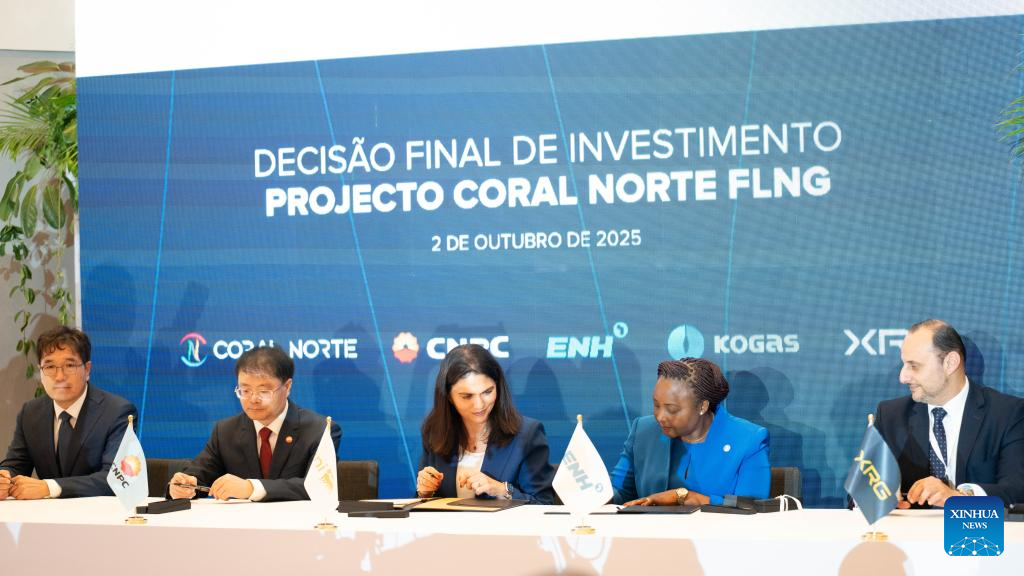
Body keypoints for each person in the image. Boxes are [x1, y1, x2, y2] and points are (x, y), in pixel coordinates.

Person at [875, 319, 1024, 508]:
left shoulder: (1007, 414)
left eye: (914, 366)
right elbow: (860, 491)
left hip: (976, 526)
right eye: (904, 365)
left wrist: (959, 497)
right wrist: (880, 499)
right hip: (911, 526)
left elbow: (1017, 491)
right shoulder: (891, 416)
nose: (903, 377)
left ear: (950, 363)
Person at [169, 346, 341, 501]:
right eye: (245, 390)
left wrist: (252, 488)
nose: (253, 399)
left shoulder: (320, 430)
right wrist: (184, 486)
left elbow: (320, 486)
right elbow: (200, 475)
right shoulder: (226, 431)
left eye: (264, 391)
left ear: (287, 387)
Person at [611, 357, 770, 506]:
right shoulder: (644, 431)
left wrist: (687, 497)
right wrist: (599, 495)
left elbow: (751, 505)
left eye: (672, 409)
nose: (660, 417)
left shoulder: (748, 439)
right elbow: (619, 492)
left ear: (702, 406)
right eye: (656, 405)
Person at [1, 326, 137, 499]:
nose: (59, 377)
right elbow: (15, 465)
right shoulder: (30, 413)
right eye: (50, 366)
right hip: (46, 514)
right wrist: (4, 478)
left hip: (100, 513)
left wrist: (49, 487)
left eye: (70, 365)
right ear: (40, 371)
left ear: (87, 369)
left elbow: (117, 479)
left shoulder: (117, 412)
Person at [416, 344, 555, 503]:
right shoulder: (434, 432)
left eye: (487, 392)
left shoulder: (528, 434)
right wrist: (425, 492)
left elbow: (544, 503)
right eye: (467, 396)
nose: (479, 405)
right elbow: (424, 507)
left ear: (498, 387)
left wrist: (502, 490)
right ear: (448, 396)